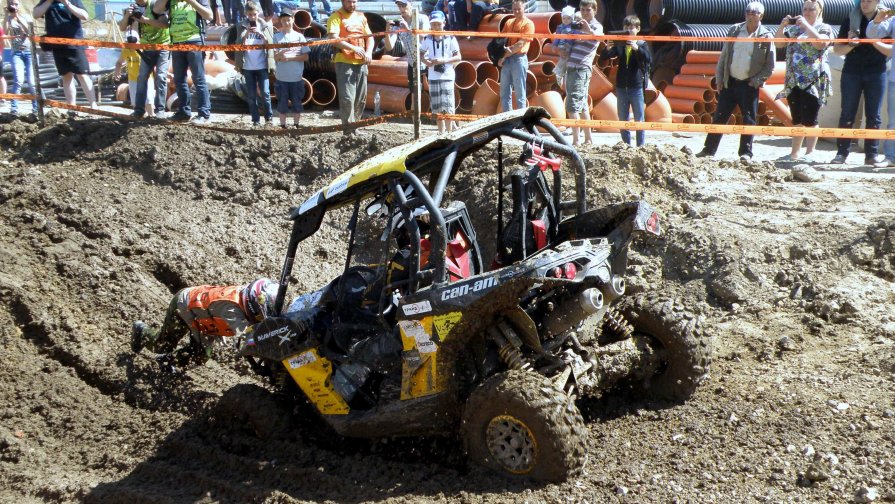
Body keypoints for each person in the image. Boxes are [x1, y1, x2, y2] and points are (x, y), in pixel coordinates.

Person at [132, 278, 280, 372]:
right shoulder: (232, 309)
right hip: (184, 307)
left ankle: (166, 361)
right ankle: (141, 331)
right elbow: (249, 339)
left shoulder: (244, 300)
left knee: (201, 355)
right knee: (162, 345)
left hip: (203, 319)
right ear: (253, 305)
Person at [695, 1, 775, 161]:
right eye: (748, 12)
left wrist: (756, 81)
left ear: (761, 16)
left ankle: (745, 153)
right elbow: (724, 57)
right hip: (730, 82)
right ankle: (708, 150)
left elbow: (770, 65)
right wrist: (719, 79)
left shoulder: (765, 36)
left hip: (749, 84)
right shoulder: (735, 30)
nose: (750, 15)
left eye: (754, 12)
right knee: (720, 116)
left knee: (749, 119)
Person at [774, 0, 833, 162]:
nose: (807, 12)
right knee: (797, 118)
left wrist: (807, 26)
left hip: (812, 80)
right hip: (793, 79)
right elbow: (778, 43)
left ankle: (810, 153)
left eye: (811, 9)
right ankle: (794, 153)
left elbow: (821, 44)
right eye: (805, 9)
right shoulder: (794, 30)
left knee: (810, 118)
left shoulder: (824, 28)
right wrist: (782, 26)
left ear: (819, 11)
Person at [835, 0, 890, 166]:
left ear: (878, 2)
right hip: (852, 71)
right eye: (862, 0)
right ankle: (841, 153)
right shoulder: (850, 20)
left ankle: (871, 155)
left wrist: (873, 39)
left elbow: (890, 51)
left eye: (869, 0)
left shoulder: (885, 22)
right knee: (847, 113)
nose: (865, 3)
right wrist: (851, 44)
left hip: (876, 72)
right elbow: (837, 50)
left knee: (874, 115)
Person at [156, 0, 213, 124]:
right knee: (179, 79)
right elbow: (156, 9)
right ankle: (184, 112)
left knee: (198, 78)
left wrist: (191, 1)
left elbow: (209, 15)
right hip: (176, 42)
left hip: (194, 41)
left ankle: (204, 114)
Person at [33, 0, 97, 109]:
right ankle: (71, 107)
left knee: (82, 74)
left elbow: (84, 15)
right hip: (57, 45)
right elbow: (35, 14)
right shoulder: (47, 1)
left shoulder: (73, 0)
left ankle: (93, 105)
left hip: (75, 43)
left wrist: (67, 3)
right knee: (66, 76)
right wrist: (48, 1)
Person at [600, 14, 650, 147]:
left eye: (632, 27)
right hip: (622, 87)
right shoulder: (620, 44)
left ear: (638, 29)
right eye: (626, 27)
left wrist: (636, 48)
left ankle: (641, 146)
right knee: (623, 119)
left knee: (639, 119)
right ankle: (626, 145)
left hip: (636, 86)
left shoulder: (642, 43)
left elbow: (648, 59)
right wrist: (607, 49)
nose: (629, 29)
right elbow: (604, 58)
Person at [119, 0, 170, 119]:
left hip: (162, 46)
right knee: (141, 77)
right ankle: (139, 110)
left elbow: (164, 24)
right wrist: (128, 15)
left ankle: (160, 110)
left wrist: (144, 20)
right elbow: (122, 27)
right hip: (146, 48)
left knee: (161, 77)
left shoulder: (155, 5)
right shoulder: (134, 8)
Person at [327, 0, 373, 133]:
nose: (352, 5)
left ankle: (356, 127)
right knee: (347, 98)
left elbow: (369, 37)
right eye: (349, 2)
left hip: (361, 63)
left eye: (354, 2)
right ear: (343, 2)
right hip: (344, 62)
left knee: (361, 98)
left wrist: (369, 52)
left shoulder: (361, 17)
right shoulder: (336, 17)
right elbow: (334, 38)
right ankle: (348, 130)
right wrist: (353, 48)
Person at [565, 0, 602, 145]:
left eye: (588, 10)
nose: (585, 12)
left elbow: (597, 36)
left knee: (572, 105)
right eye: (583, 10)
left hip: (581, 68)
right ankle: (588, 139)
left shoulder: (596, 26)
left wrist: (587, 30)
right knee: (582, 105)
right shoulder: (577, 25)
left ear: (595, 10)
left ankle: (576, 141)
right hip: (571, 67)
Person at [234, 2, 275, 126]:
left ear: (258, 13)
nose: (252, 17)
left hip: (262, 65)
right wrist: (246, 35)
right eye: (250, 15)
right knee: (251, 96)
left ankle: (269, 118)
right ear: (246, 14)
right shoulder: (241, 26)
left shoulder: (265, 25)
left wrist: (262, 35)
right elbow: (237, 45)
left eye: (255, 14)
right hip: (248, 66)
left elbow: (272, 44)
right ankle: (255, 120)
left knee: (265, 93)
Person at [421, 10, 461, 133]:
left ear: (444, 23)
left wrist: (444, 60)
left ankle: (449, 133)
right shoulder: (427, 38)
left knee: (448, 106)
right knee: (437, 107)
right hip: (433, 76)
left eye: (438, 24)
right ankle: (440, 133)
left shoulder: (450, 37)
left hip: (447, 76)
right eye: (433, 24)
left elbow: (458, 57)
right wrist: (426, 62)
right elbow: (421, 53)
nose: (436, 27)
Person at [383, 0, 430, 94]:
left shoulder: (421, 18)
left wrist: (408, 30)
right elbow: (389, 47)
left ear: (411, 3)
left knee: (432, 92)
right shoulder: (399, 23)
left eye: (404, 5)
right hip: (412, 64)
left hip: (427, 61)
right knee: (415, 94)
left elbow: (424, 37)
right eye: (399, 6)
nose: (401, 8)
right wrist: (387, 32)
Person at [273, 9, 309, 128]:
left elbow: (305, 56)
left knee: (297, 104)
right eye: (284, 20)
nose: (286, 22)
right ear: (280, 22)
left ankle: (296, 125)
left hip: (296, 78)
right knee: (282, 104)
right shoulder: (276, 37)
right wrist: (281, 54)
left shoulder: (300, 37)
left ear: (293, 20)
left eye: (288, 20)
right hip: (281, 78)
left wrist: (290, 58)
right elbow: (274, 57)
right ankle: (283, 126)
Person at [869, 4, 895, 166]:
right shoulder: (892, 20)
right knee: (893, 121)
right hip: (894, 79)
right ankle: (891, 157)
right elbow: (871, 34)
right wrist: (877, 21)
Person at [498, 0, 534, 112]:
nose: (517, 11)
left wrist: (503, 56)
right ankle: (507, 121)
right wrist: (499, 55)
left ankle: (521, 123)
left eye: (519, 9)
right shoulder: (509, 22)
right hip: (507, 59)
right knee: (504, 92)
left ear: (524, 8)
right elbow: (501, 40)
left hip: (519, 59)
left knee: (520, 93)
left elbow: (520, 45)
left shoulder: (528, 24)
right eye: (514, 9)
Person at [4, 0, 38, 116]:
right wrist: (6, 16)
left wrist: (17, 16)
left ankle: (36, 108)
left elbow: (29, 30)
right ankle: (14, 108)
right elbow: (5, 31)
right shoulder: (9, 19)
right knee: (18, 80)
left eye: (16, 4)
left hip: (29, 52)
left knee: (32, 82)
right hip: (16, 52)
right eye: (11, 4)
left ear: (19, 5)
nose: (14, 6)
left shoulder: (26, 16)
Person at [114, 45, 155, 116]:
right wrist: (117, 71)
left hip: (146, 77)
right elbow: (119, 62)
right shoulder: (126, 50)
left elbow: (153, 63)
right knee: (135, 101)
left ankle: (151, 115)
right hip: (133, 79)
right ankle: (139, 117)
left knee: (149, 100)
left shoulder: (143, 49)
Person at [553, 6, 575, 90]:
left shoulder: (573, 27)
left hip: (570, 47)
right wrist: (554, 45)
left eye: (568, 18)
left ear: (572, 19)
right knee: (563, 59)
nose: (566, 20)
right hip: (562, 47)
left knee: (566, 63)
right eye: (564, 18)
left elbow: (577, 37)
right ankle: (559, 74)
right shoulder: (560, 27)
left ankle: (559, 72)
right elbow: (557, 38)